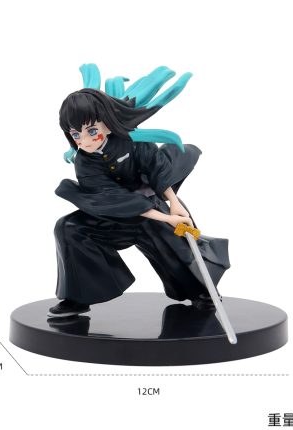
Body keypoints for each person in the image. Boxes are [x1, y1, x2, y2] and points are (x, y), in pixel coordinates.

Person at [48, 64, 230, 317]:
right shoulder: (84, 161)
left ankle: (202, 291)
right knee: (69, 228)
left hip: (153, 206)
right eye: (76, 134)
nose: (85, 141)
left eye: (92, 131)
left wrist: (173, 204)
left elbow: (157, 168)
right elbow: (111, 198)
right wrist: (165, 217)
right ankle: (79, 296)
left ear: (107, 123)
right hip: (114, 216)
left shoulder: (133, 142)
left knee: (177, 244)